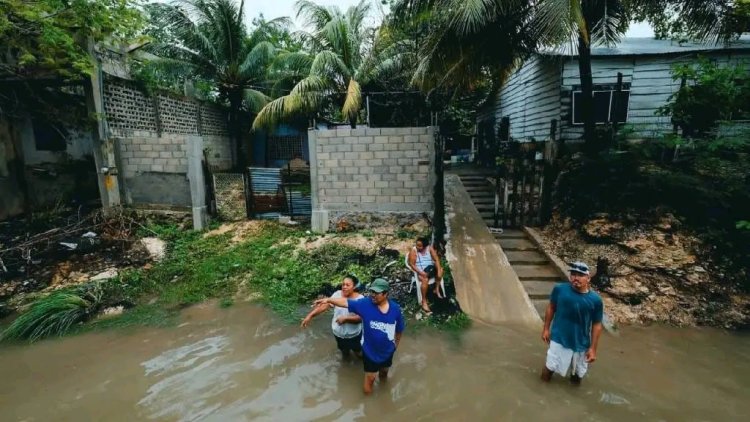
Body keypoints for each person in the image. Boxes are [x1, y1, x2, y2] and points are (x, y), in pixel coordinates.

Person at [313, 278, 405, 395]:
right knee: (370, 379)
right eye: (372, 292)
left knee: (384, 373)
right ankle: (369, 407)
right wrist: (328, 300)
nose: (373, 295)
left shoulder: (395, 309)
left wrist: (395, 346)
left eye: (377, 293)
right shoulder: (365, 304)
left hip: (387, 351)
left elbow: (399, 329)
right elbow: (345, 302)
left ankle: (384, 392)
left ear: (386, 294)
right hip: (370, 352)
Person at [541, 261, 604, 385]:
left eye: (580, 275)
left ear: (588, 278)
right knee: (549, 367)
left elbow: (597, 325)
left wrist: (593, 348)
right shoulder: (560, 289)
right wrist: (546, 329)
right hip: (559, 338)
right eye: (573, 274)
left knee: (577, 375)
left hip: (581, 342)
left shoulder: (595, 300)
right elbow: (551, 307)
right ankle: (541, 390)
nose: (576, 278)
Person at [301, 275, 364, 358]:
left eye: (347, 285)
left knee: (358, 353)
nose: (344, 287)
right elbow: (325, 306)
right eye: (343, 284)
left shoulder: (360, 299)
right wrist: (310, 315)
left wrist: (346, 319)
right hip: (338, 333)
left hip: (354, 334)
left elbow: (361, 318)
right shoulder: (337, 294)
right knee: (344, 353)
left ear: (354, 286)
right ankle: (346, 367)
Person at [407, 236, 444, 314]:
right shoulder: (414, 251)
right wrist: (420, 272)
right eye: (417, 245)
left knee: (440, 270)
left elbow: (436, 259)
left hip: (430, 269)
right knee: (425, 279)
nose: (418, 247)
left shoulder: (429, 248)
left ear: (425, 246)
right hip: (420, 270)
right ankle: (424, 301)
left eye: (420, 246)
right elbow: (412, 264)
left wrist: (439, 270)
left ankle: (436, 289)